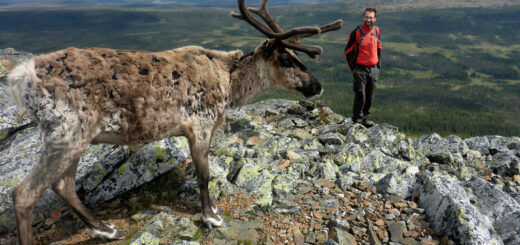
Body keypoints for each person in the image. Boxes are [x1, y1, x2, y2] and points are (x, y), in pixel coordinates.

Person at [344, 7, 381, 128]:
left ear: (375, 18)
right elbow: (347, 52)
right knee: (361, 96)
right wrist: (353, 69)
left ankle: (365, 119)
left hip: (373, 69)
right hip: (360, 69)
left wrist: (378, 65)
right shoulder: (357, 32)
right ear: (363, 17)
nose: (368, 19)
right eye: (366, 17)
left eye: (371, 17)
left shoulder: (377, 31)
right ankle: (357, 121)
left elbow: (379, 47)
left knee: (370, 96)